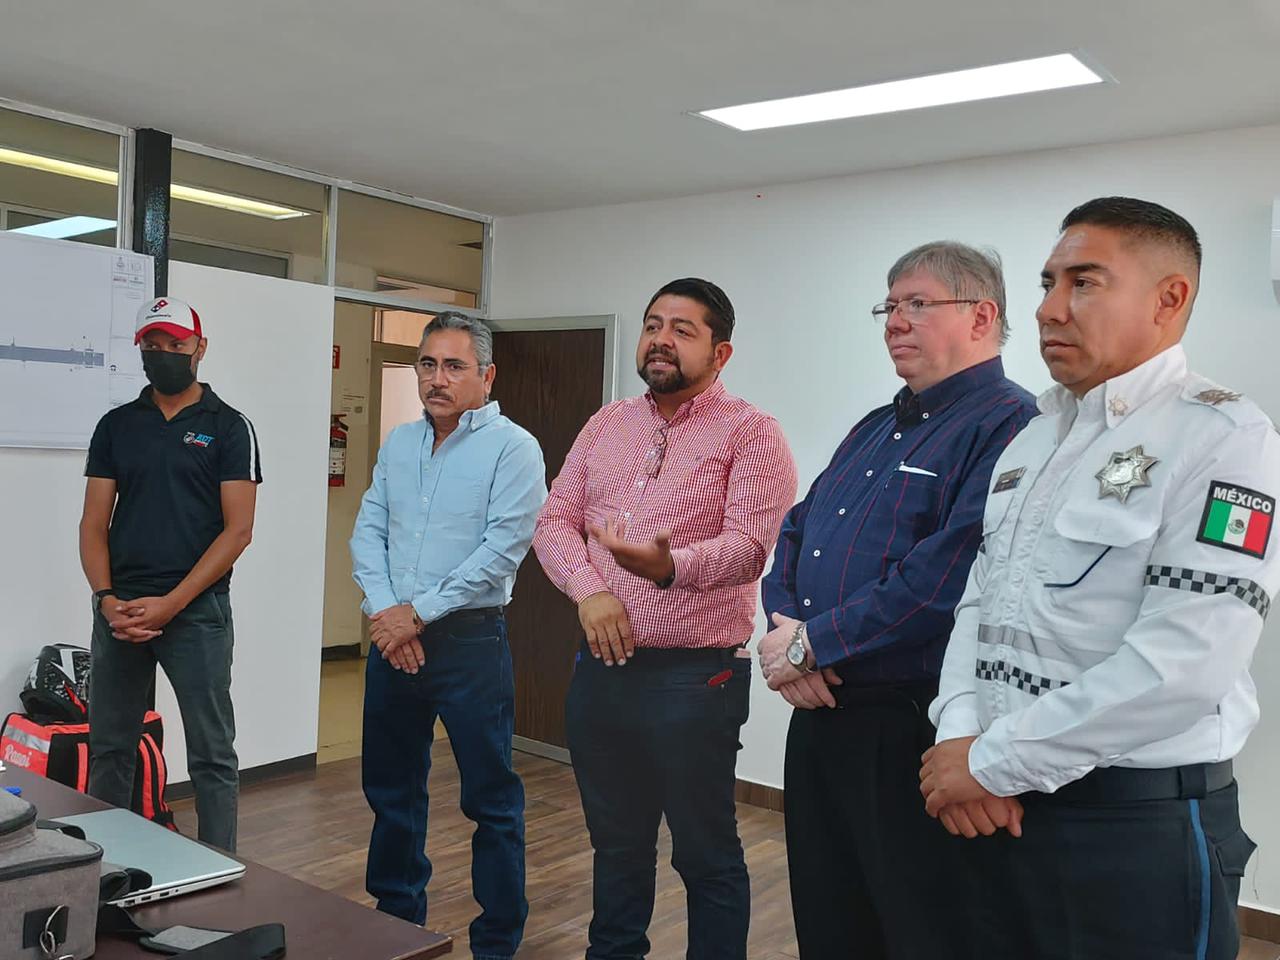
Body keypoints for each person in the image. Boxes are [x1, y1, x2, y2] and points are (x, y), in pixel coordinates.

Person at [922, 197, 1280, 960]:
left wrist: (986, 761)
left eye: (1084, 283)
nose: (1050, 309)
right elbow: (979, 604)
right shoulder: (1032, 436)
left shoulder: (1223, 436)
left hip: (1132, 826)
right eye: (1048, 282)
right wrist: (957, 732)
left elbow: (1185, 666)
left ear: (1169, 297)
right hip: (999, 810)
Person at [755, 243, 1036, 959]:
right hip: (820, 718)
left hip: (907, 728)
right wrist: (788, 631)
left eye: (917, 303)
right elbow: (797, 531)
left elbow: (943, 582)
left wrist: (806, 646)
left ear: (982, 315)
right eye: (890, 305)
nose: (895, 321)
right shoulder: (877, 425)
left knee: (914, 926)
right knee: (828, 915)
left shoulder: (1008, 426)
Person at [533, 278, 797, 960]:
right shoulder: (607, 422)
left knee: (704, 855)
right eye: (654, 324)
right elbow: (555, 520)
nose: (660, 338)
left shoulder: (752, 432)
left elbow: (747, 549)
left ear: (721, 351)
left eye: (683, 328)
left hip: (692, 680)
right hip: (602, 671)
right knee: (616, 848)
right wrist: (590, 591)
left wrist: (668, 565)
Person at [351, 311, 545, 959]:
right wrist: (388, 614)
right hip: (394, 641)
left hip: (468, 645)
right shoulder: (400, 444)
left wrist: (418, 613)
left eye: (454, 366)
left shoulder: (513, 449)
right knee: (392, 792)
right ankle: (397, 925)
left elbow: (500, 551)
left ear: (486, 374)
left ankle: (496, 942)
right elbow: (368, 531)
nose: (438, 379)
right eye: (428, 365)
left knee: (490, 802)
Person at [80, 296, 261, 852]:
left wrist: (173, 603)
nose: (163, 355)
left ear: (199, 349)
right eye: (152, 346)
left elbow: (238, 532)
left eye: (175, 346)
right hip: (123, 612)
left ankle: (220, 869)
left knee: (211, 752)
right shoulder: (116, 426)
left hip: (196, 614)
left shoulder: (229, 428)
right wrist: (107, 599)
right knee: (110, 746)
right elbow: (93, 524)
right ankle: (104, 867)